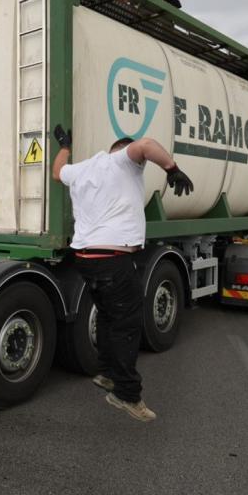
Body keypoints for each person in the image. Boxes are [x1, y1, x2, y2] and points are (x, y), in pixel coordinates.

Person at [51, 125, 193, 423]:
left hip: (86, 259)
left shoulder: (82, 169)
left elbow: (57, 171)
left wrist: (64, 145)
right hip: (112, 259)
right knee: (127, 324)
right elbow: (146, 144)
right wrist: (172, 168)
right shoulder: (123, 161)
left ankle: (106, 372)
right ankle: (127, 394)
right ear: (125, 152)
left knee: (106, 316)